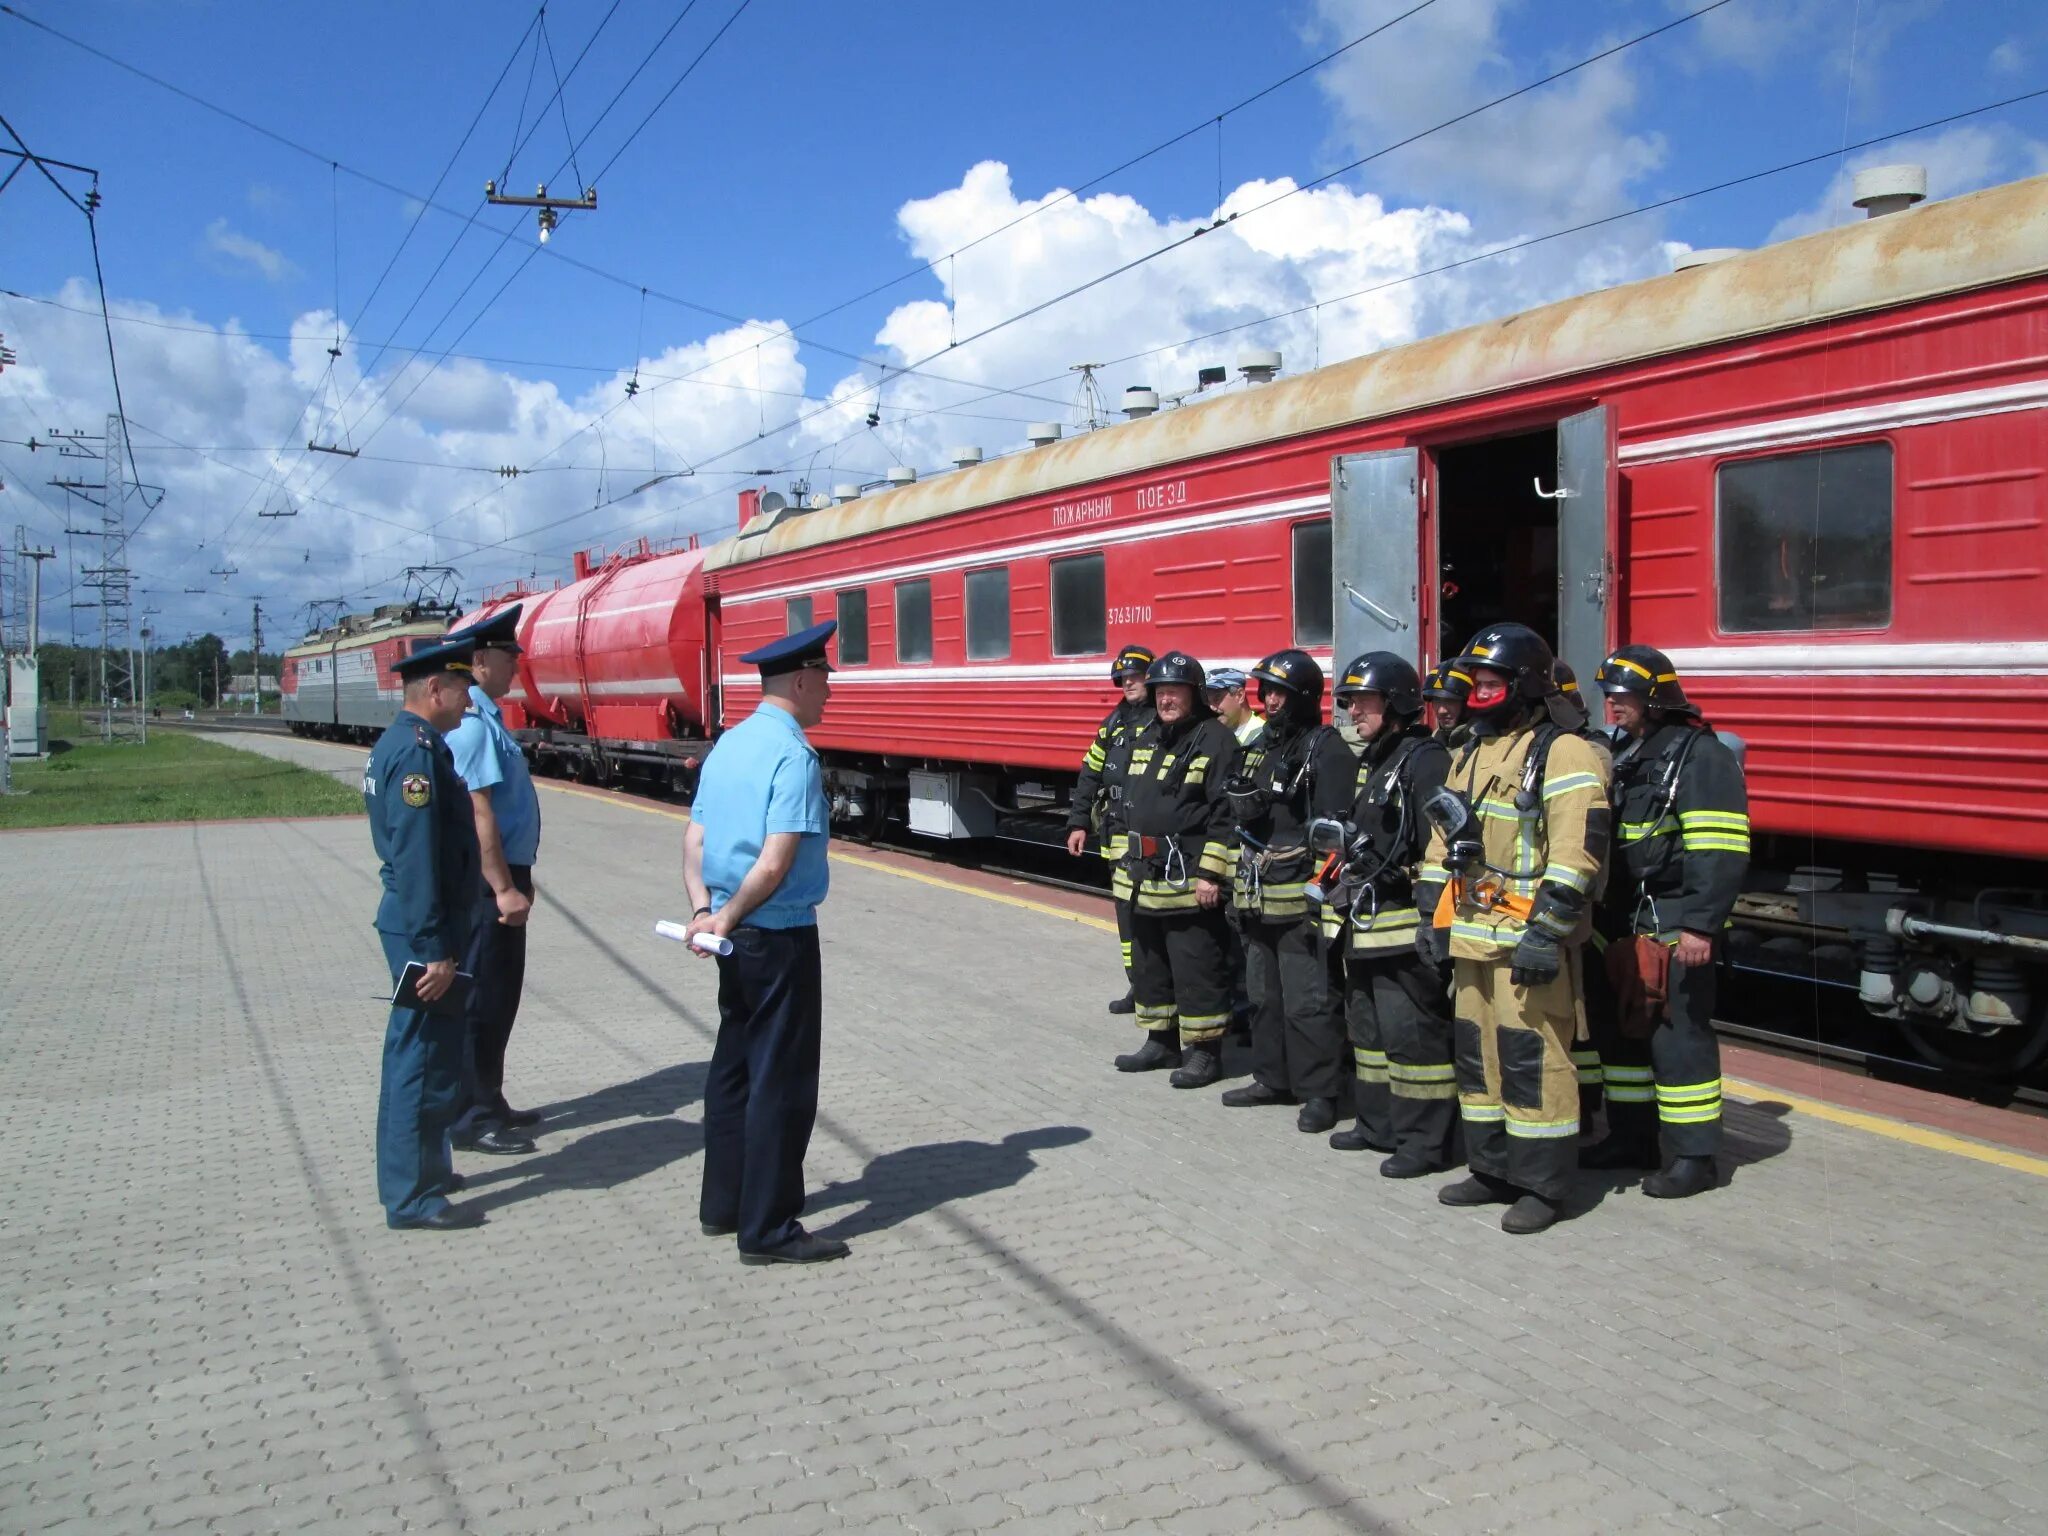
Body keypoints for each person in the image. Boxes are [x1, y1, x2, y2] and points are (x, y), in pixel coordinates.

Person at [1419, 623, 1609, 1235]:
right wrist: (1432, 917)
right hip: (1472, 936)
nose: (1479, 690)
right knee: (1478, 1059)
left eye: (1491, 681)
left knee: (1534, 1059)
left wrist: (1548, 933)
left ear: (1525, 683)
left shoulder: (1564, 752)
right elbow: (1440, 840)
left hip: (1526, 942)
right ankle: (1493, 1169)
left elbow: (1578, 855)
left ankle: (1544, 1186)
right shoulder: (1471, 752)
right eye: (1475, 681)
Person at [681, 620, 848, 1265]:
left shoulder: (729, 745)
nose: (830, 692)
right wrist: (730, 917)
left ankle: (723, 1206)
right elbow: (777, 862)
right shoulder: (793, 754)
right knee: (781, 1081)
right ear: (803, 681)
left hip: (731, 935)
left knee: (732, 1072)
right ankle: (770, 1228)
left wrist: (707, 911)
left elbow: (693, 841)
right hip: (777, 939)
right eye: (826, 680)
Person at [1584, 644, 1749, 1199]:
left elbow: (1719, 850)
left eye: (1622, 696)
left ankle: (1695, 1156)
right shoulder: (1631, 752)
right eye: (1608, 697)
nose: (1612, 707)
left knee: (1679, 1040)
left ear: (1655, 697)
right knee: (1622, 1035)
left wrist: (1701, 926)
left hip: (1675, 919)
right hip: (1625, 918)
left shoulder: (1701, 757)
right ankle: (1634, 1138)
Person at [363, 635, 486, 1231]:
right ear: (433, 690)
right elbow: (416, 860)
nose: (469, 702)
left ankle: (427, 1171)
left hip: (421, 924)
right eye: (462, 690)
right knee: (417, 1058)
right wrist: (436, 948)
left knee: (428, 1054)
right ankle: (410, 1196)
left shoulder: (410, 744)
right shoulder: (415, 756)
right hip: (422, 931)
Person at [1323, 653, 1458, 1175]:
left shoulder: (1425, 761)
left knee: (1412, 1038)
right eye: (1349, 701)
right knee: (1369, 1033)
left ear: (1397, 702)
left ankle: (1424, 1142)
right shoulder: (1376, 758)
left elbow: (1436, 849)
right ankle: (1377, 1124)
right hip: (1363, 923)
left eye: (1363, 700)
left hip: (1402, 930)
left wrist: (1431, 923)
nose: (1353, 710)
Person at [1220, 650, 1359, 1133]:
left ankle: (1320, 1092)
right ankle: (1270, 1078)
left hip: (1302, 905)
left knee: (1309, 1002)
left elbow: (1334, 835)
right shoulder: (1260, 746)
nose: (1271, 699)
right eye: (1266, 690)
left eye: (1280, 691)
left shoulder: (1328, 750)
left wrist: (1325, 901)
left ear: (1301, 696)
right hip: (1257, 898)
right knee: (1262, 996)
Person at [442, 605, 544, 1157]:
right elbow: (479, 812)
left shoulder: (489, 717)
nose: (516, 667)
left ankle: (489, 1096)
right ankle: (470, 1114)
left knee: (501, 994)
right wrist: (504, 886)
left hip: (504, 875)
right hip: (489, 885)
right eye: (509, 657)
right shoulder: (475, 725)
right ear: (480, 661)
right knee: (482, 996)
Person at [1112, 650, 1239, 1089]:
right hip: (1145, 876)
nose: (1166, 700)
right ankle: (1160, 1040)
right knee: (1151, 963)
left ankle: (1204, 1052)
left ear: (1195, 694)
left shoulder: (1215, 741)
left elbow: (1226, 815)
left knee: (1195, 966)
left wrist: (1211, 874)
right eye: (1161, 691)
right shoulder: (1150, 735)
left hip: (1188, 879)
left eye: (1175, 692)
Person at [1065, 644, 1157, 1016]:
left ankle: (1156, 988)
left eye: (1134, 677)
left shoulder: (1162, 722)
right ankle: (1137, 985)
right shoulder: (1114, 722)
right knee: (1125, 916)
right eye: (1123, 678)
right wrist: (1078, 821)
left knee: (1149, 913)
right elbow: (1090, 773)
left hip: (1148, 835)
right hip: (1116, 832)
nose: (1128, 683)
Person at [1206, 664, 1264, 1033]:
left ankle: (1246, 1016)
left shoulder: (1257, 737)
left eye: (1218, 697)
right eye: (1208, 698)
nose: (1213, 706)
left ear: (1240, 695)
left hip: (1249, 857)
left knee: (1246, 943)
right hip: (1230, 855)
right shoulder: (1224, 734)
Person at [1421, 661, 1472, 748]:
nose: (1441, 711)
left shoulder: (1483, 745)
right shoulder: (1433, 739)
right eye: (1436, 700)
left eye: (1450, 701)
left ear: (1467, 702)